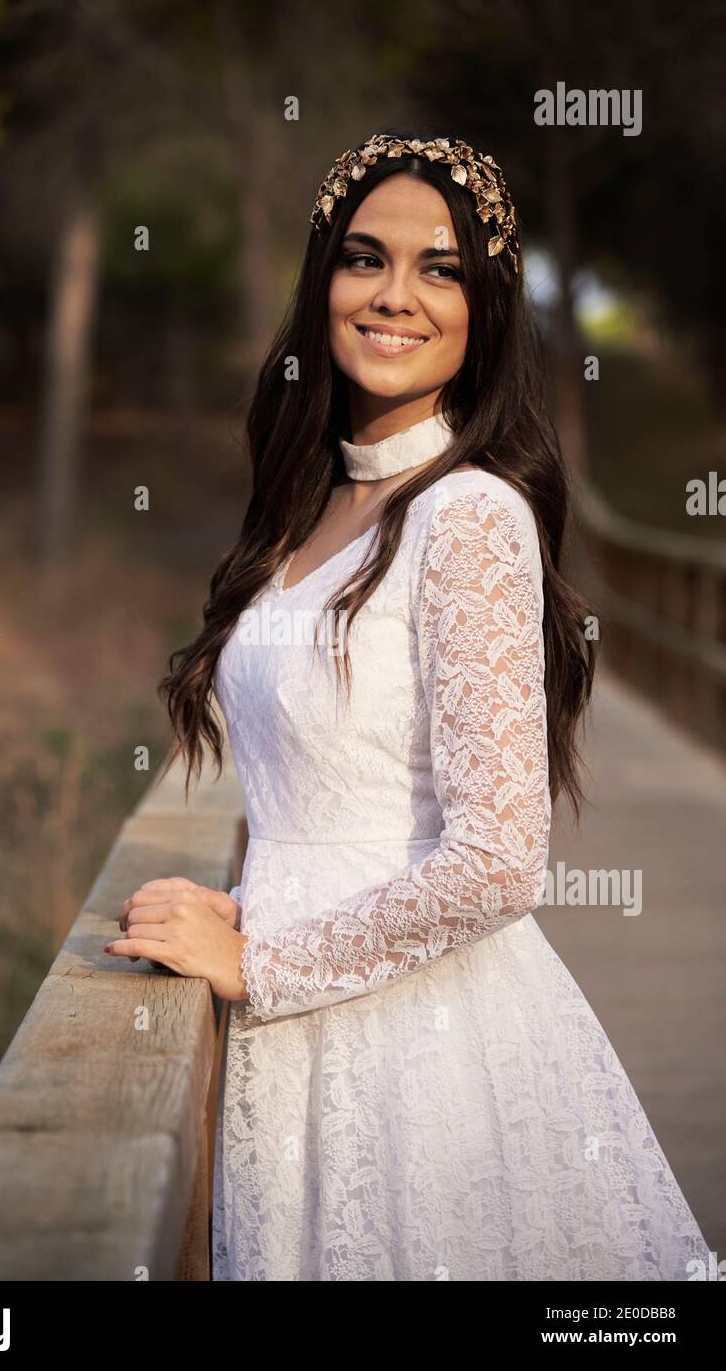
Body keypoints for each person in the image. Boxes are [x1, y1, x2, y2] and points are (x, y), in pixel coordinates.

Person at [106, 129, 713, 1281]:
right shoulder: (311, 508)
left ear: (485, 308)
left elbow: (497, 859)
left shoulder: (468, 516)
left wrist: (263, 963)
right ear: (321, 281)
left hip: (415, 1046)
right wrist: (242, 901)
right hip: (303, 1029)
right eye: (364, 258)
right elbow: (339, 788)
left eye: (440, 269)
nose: (396, 296)